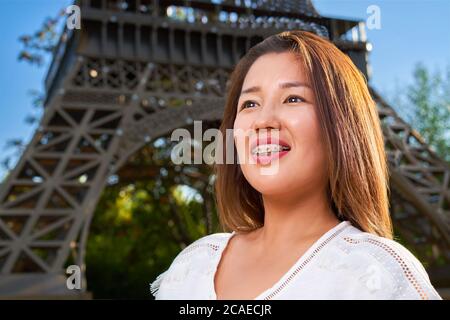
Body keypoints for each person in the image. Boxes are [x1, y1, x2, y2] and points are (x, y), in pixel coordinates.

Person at [150, 30, 442, 300]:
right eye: (250, 104)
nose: (263, 120)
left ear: (343, 127)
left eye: (293, 98)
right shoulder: (192, 266)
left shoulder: (375, 274)